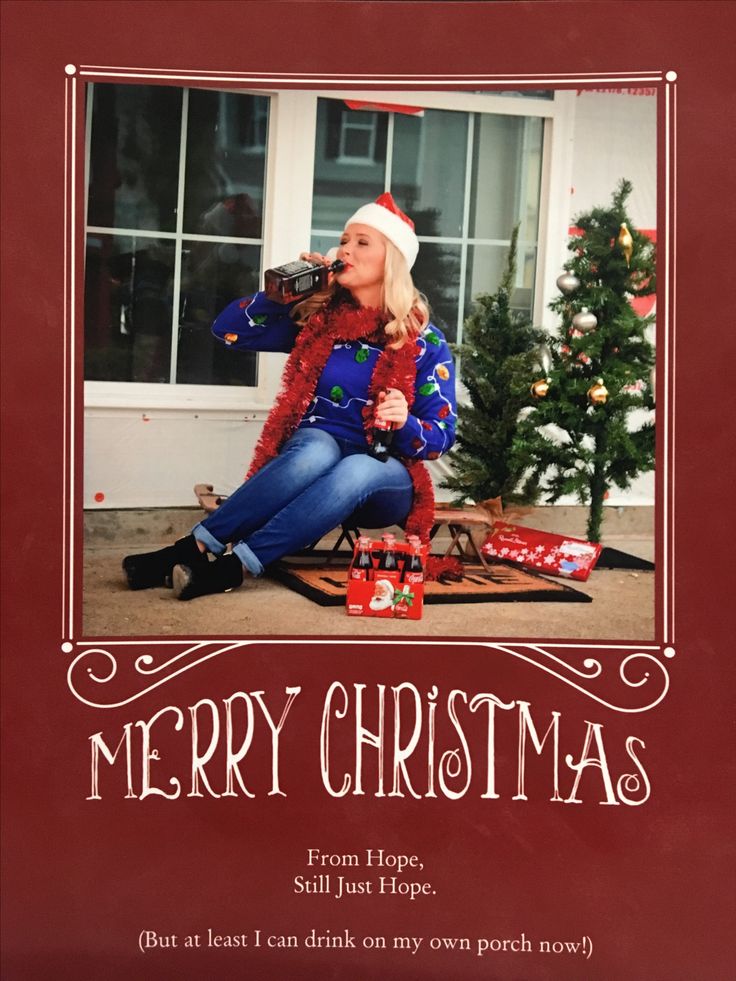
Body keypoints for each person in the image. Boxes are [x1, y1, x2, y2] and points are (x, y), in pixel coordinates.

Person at [122, 193, 457, 600]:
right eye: (344, 240)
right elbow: (228, 330)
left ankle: (231, 560)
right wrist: (283, 294)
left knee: (356, 467)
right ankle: (206, 557)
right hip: (315, 457)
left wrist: (405, 421)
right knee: (317, 450)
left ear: (394, 261)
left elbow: (439, 437)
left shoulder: (422, 341)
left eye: (362, 242)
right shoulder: (318, 320)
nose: (345, 249)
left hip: (382, 476)